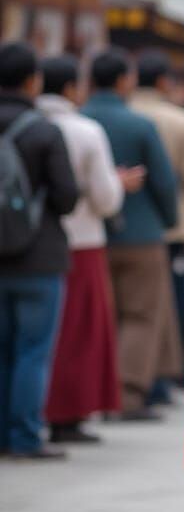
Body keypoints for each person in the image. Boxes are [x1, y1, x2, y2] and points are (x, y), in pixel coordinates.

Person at [82, 49, 179, 420]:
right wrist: (168, 220)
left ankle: (95, 394)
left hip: (93, 233)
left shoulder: (80, 119)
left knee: (99, 316)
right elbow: (164, 181)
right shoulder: (139, 124)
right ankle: (127, 394)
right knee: (140, 315)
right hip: (142, 234)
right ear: (124, 80)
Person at [37, 55, 128, 444]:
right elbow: (106, 199)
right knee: (77, 332)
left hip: (23, 242)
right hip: (82, 240)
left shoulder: (24, 124)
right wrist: (120, 184)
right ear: (72, 88)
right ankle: (67, 413)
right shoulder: (85, 131)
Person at [0, 42, 79, 459]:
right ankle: (25, 436)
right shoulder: (44, 131)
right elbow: (67, 198)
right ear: (32, 80)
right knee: (32, 350)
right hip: (38, 257)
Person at [132, 49, 184, 387]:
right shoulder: (181, 121)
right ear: (164, 81)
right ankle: (162, 378)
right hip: (174, 226)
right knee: (170, 306)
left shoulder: (120, 115)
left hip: (116, 228)